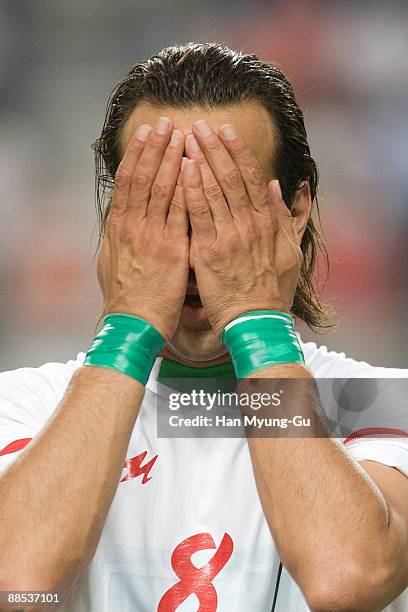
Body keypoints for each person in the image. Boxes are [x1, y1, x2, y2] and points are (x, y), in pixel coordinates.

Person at [0, 42, 407, 612]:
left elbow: (346, 579)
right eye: (161, 207)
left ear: (296, 210)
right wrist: (129, 326)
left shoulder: (384, 402)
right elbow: (17, 585)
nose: (193, 252)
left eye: (225, 207)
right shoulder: (19, 406)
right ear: (117, 222)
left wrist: (252, 317)